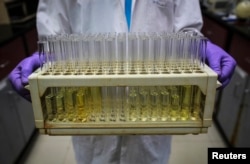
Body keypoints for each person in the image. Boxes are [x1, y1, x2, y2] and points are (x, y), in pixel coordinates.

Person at [8, 0, 236, 164]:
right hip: (90, 114)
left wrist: (197, 48)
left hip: (156, 109)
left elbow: (186, 30)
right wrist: (48, 57)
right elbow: (53, 36)